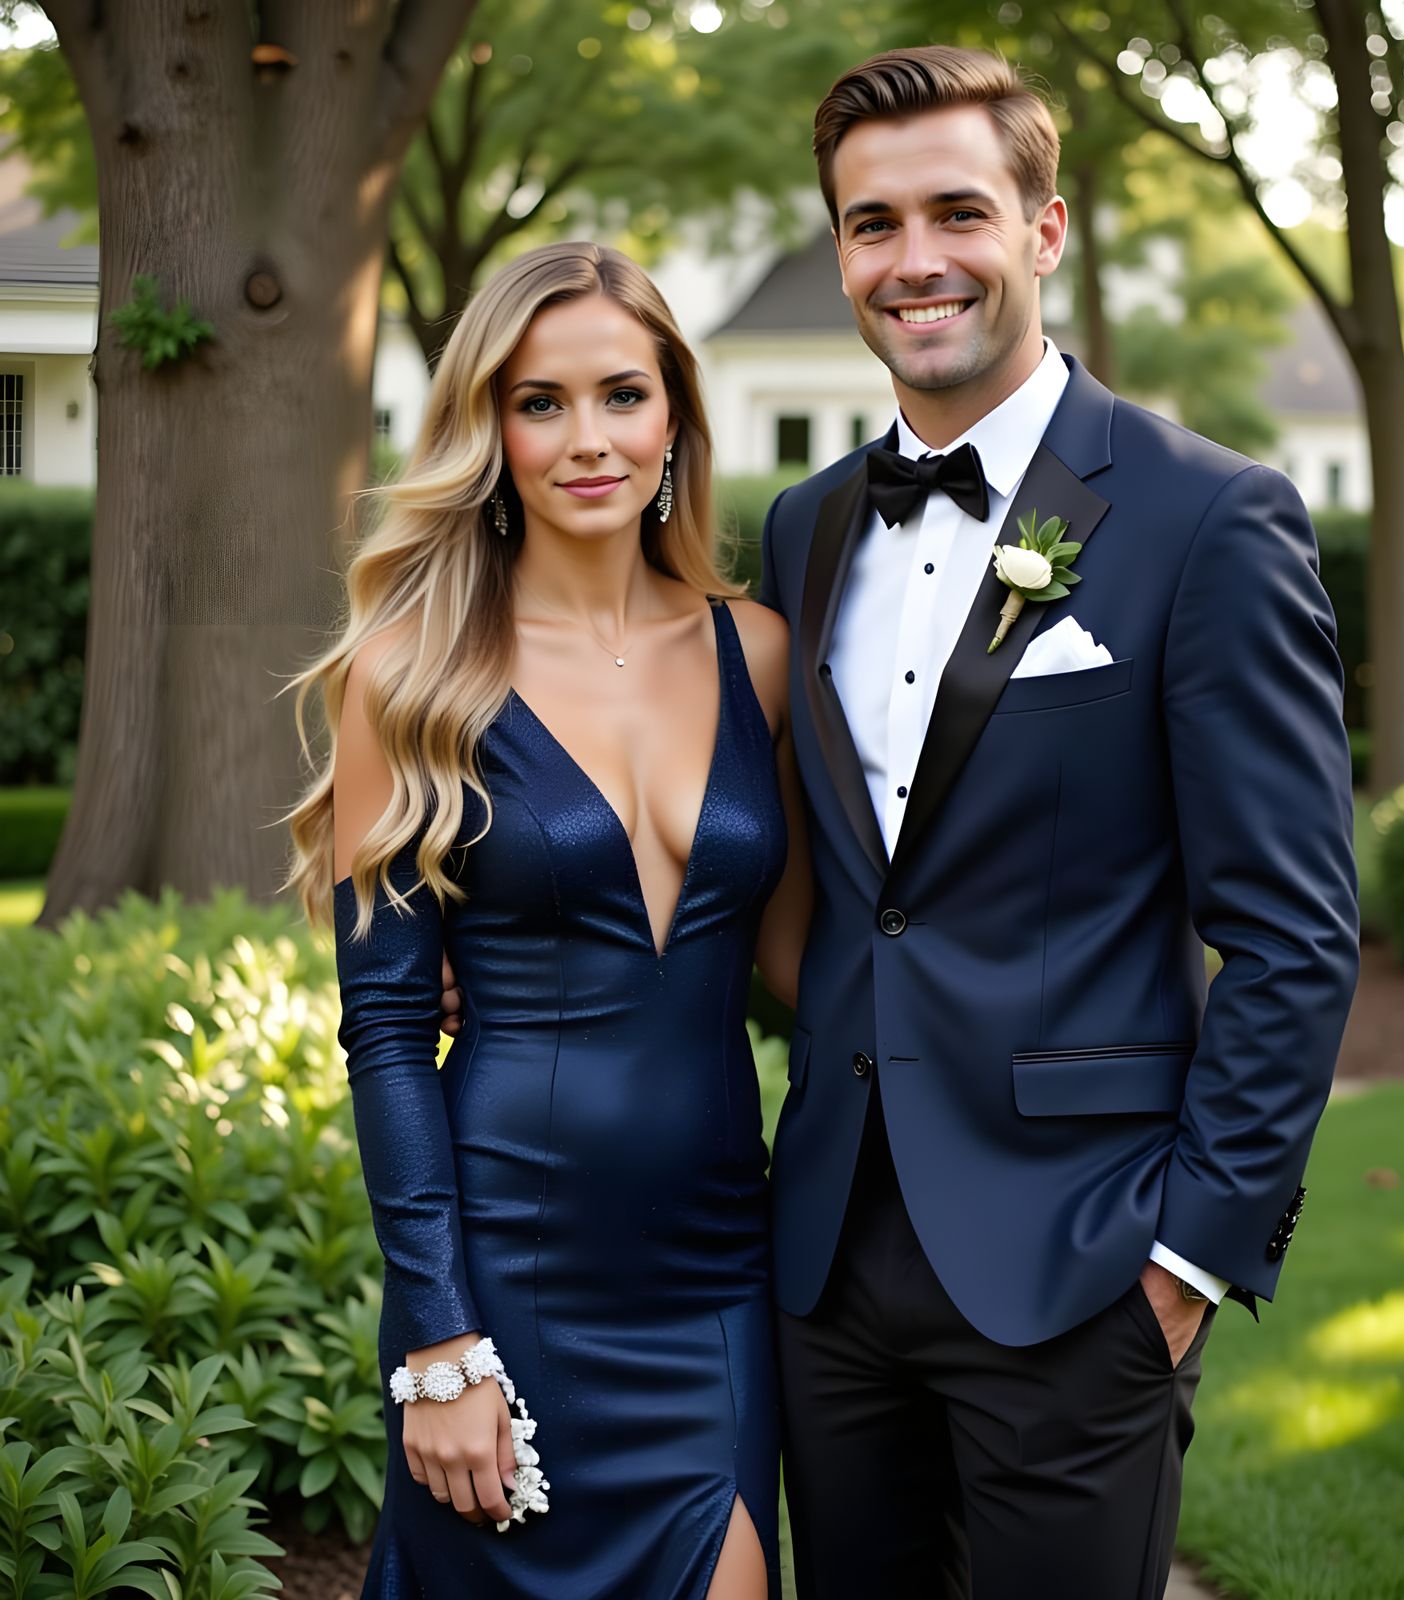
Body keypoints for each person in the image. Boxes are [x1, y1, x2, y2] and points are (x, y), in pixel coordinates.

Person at [750, 46, 1360, 1598]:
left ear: (1045, 229)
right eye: (871, 224)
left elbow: (1294, 935)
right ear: (839, 254)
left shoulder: (1207, 517)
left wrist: (1192, 1261)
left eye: (959, 210)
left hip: (1084, 1270)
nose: (915, 260)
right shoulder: (807, 526)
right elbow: (812, 873)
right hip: (829, 1262)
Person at [285, 241, 809, 1600]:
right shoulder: (411, 673)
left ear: (677, 419)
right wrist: (438, 1343)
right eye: (541, 403)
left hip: (714, 1267)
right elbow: (389, 1030)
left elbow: (815, 959)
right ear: (491, 430)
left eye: (624, 396)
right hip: (508, 1269)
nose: (590, 439)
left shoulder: (758, 652)